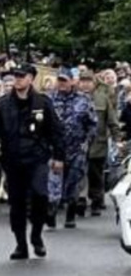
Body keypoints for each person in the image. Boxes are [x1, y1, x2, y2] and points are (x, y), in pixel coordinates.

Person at [0, 64, 65, 260]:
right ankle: (21, 244)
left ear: (31, 79)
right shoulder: (3, 104)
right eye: (16, 76)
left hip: (37, 158)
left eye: (22, 76)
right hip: (13, 160)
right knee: (17, 203)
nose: (18, 79)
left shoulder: (43, 103)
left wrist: (59, 156)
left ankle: (36, 235)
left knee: (40, 195)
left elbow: (55, 131)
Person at [47, 68, 95, 228]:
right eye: (59, 80)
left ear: (73, 81)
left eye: (65, 80)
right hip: (54, 149)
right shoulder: (49, 99)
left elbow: (92, 124)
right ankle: (51, 213)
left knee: (73, 183)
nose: (62, 84)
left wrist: (87, 143)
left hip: (77, 148)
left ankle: (70, 214)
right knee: (53, 183)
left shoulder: (84, 100)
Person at [80, 69, 118, 216]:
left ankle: (96, 200)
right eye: (83, 81)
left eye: (88, 82)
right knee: (79, 171)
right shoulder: (76, 98)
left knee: (95, 173)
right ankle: (80, 199)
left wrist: (116, 138)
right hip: (79, 142)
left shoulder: (102, 98)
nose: (85, 85)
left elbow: (111, 119)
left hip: (98, 141)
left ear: (94, 83)